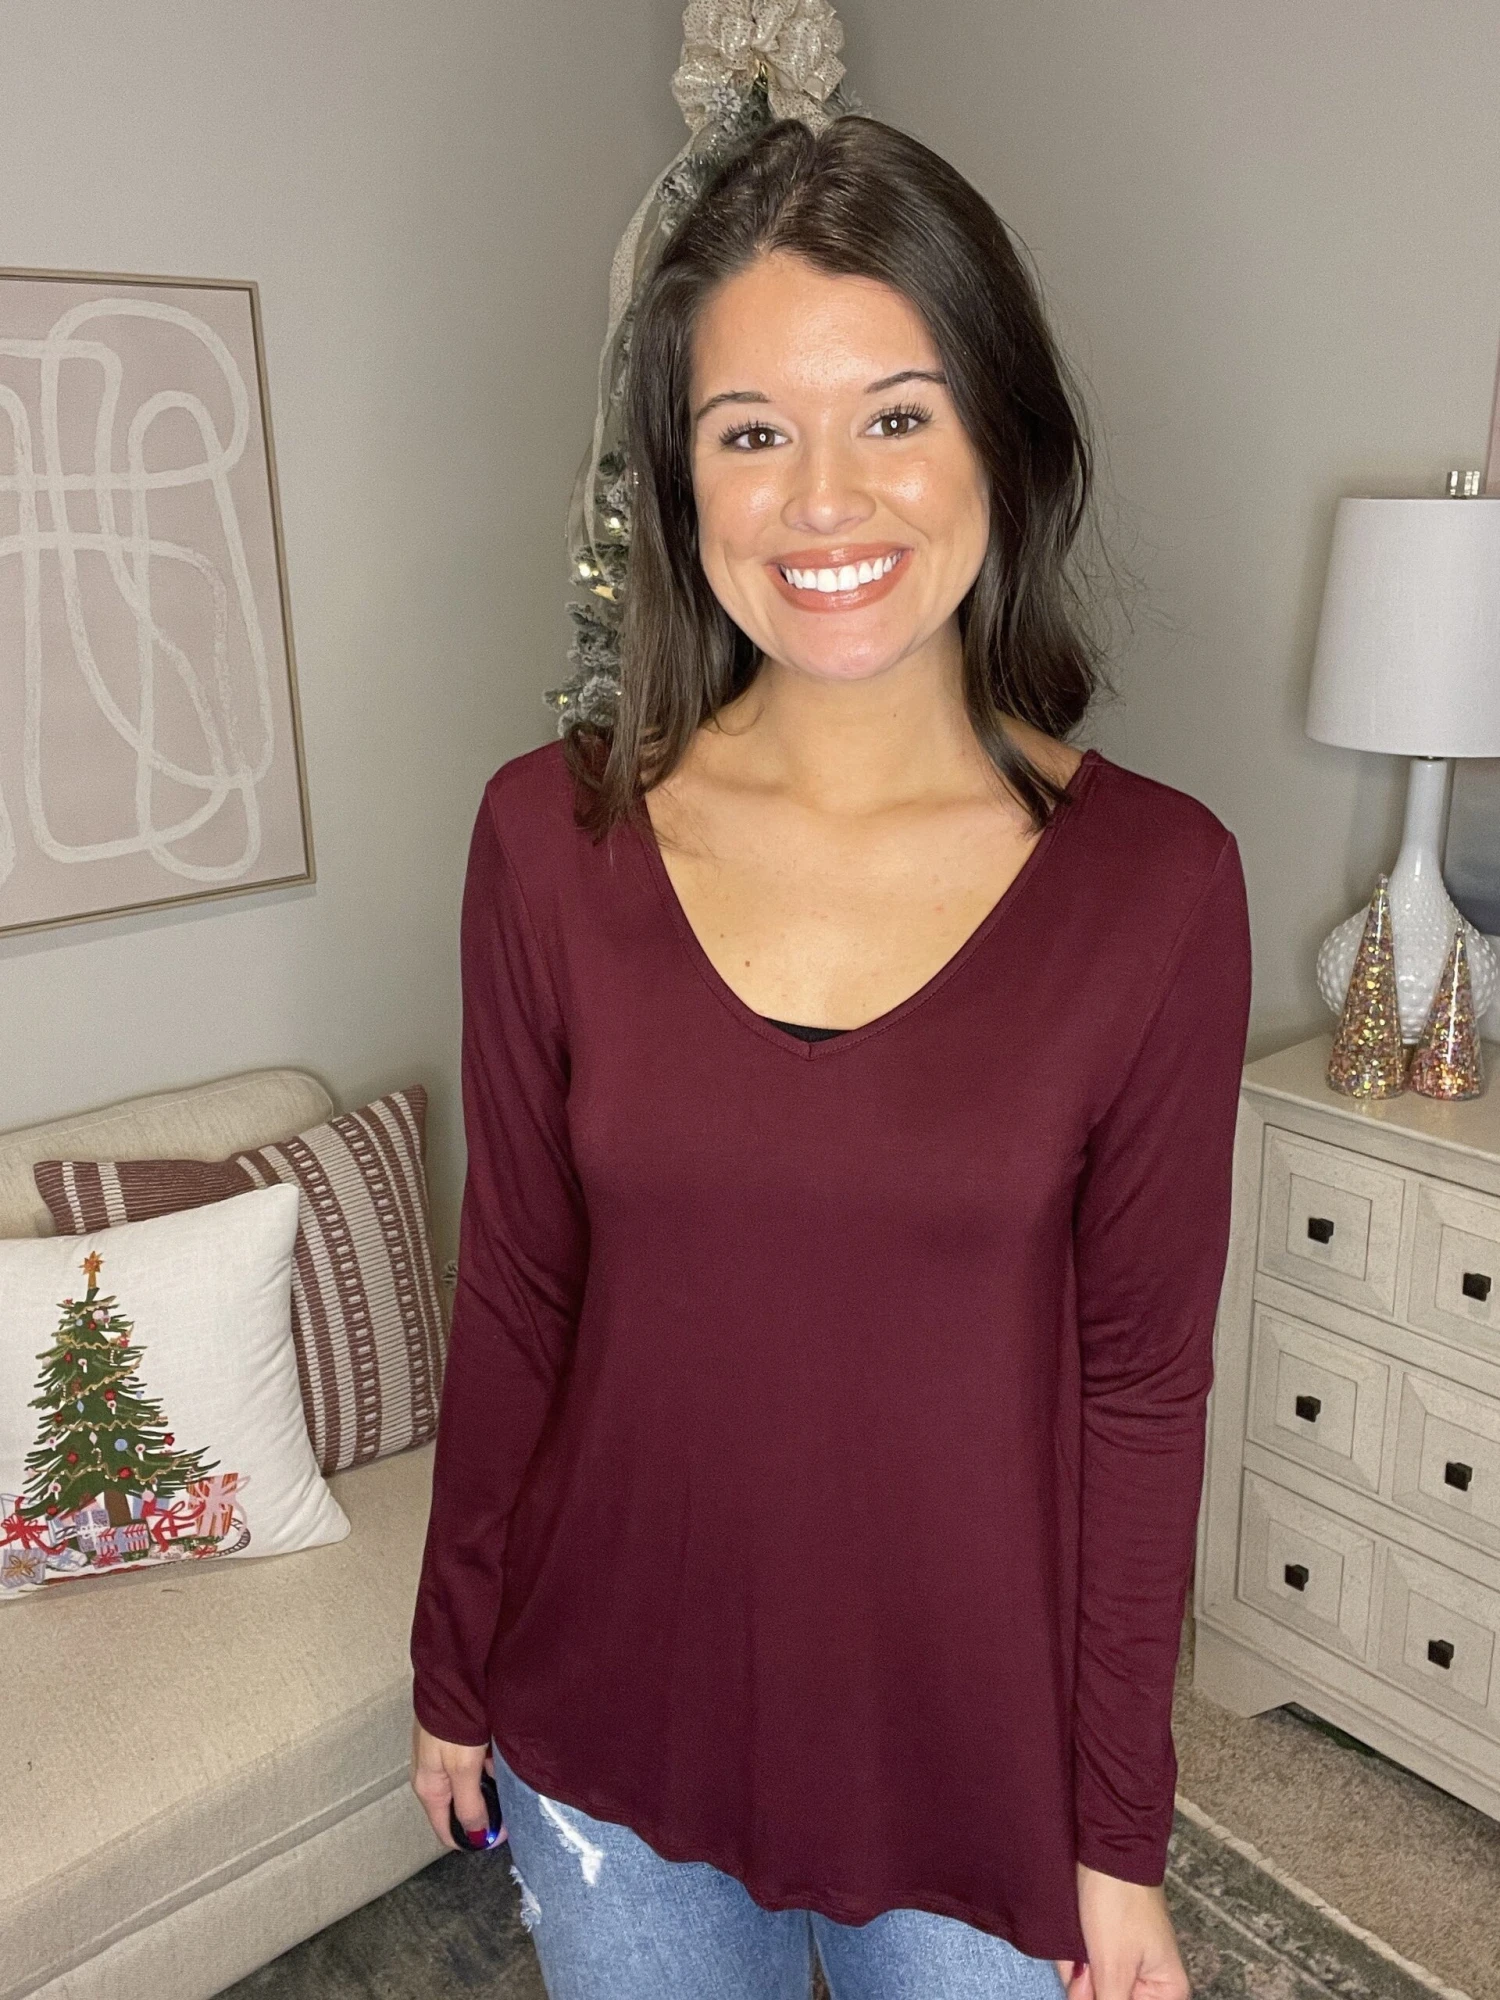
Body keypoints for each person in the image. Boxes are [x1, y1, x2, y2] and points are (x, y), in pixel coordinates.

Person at [409, 115, 1252, 2000]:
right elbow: (519, 1290)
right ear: (680, 482)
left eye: (895, 415)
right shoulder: (549, 840)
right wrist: (453, 1661)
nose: (824, 500)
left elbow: (1140, 1397)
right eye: (751, 433)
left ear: (999, 439)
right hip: (602, 1731)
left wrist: (1119, 1840)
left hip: (974, 1769)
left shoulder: (1157, 887)